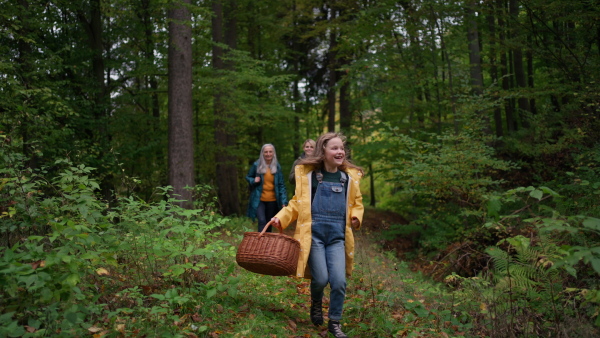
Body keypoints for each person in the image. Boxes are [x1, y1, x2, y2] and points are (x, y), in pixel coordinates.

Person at [270, 132, 364, 338]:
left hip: (338, 237)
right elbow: (296, 203)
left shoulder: (348, 178)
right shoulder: (310, 177)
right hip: (315, 236)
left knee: (339, 281)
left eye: (342, 148)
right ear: (323, 151)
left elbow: (357, 203)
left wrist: (356, 216)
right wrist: (281, 218)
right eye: (335, 148)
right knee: (320, 279)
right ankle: (315, 303)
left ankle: (335, 323)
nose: (340, 152)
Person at [246, 144, 288, 233]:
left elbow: (281, 185)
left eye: (270, 152)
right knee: (262, 221)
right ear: (262, 153)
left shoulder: (277, 166)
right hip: (259, 199)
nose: (268, 154)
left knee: (269, 223)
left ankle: (267, 245)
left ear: (273, 153)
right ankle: (261, 243)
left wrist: (284, 201)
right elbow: (248, 177)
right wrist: (254, 180)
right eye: (266, 152)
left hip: (272, 200)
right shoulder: (256, 165)